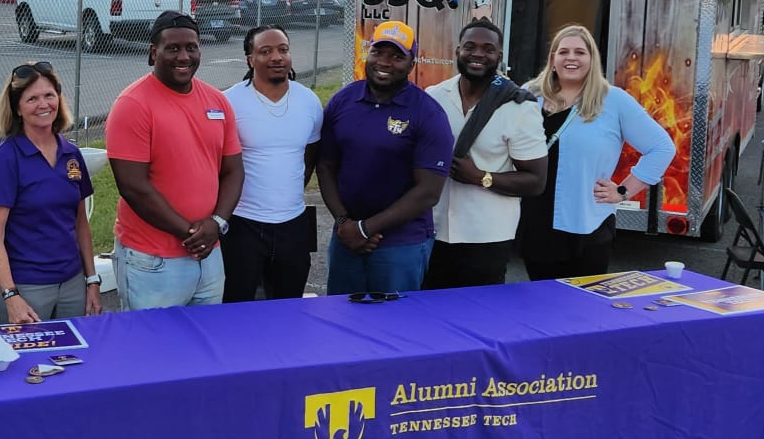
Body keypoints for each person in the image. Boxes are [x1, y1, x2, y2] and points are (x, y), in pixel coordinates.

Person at [107, 10, 244, 310]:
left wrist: (217, 223)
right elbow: (133, 186)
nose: (184, 56)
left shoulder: (217, 101)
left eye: (191, 47)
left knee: (203, 348)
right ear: (153, 53)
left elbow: (233, 170)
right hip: (152, 261)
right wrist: (192, 233)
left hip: (209, 255)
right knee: (153, 351)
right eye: (173, 48)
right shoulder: (132, 105)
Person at [517, 25, 674, 281]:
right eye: (563, 52)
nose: (571, 58)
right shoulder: (529, 95)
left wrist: (623, 191)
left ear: (592, 59)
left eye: (580, 52)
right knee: (542, 310)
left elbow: (662, 147)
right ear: (553, 59)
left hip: (586, 227)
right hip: (535, 225)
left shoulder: (613, 100)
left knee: (583, 313)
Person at [316, 20, 453, 295]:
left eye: (397, 56)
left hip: (402, 245)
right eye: (379, 52)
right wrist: (345, 223)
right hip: (346, 239)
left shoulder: (429, 114)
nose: (385, 62)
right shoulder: (343, 101)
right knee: (343, 324)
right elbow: (326, 165)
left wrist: (365, 229)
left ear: (412, 63)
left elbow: (428, 192)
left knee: (396, 329)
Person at [422, 18, 549, 289]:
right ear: (457, 51)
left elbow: (536, 181)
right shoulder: (434, 97)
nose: (478, 54)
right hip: (431, 231)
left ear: (499, 56)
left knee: (478, 320)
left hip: (486, 238)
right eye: (470, 46)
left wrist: (481, 177)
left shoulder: (518, 107)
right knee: (427, 319)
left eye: (488, 49)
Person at [0, 61, 102, 323]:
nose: (43, 104)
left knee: (71, 360)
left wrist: (91, 280)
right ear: (17, 108)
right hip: (26, 288)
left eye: (49, 95)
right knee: (24, 364)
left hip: (71, 284)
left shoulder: (71, 154)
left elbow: (80, 222)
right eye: (32, 98)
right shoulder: (4, 160)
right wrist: (10, 295)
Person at [219, 25, 325, 301]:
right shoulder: (229, 102)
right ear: (250, 59)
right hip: (243, 224)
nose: (277, 57)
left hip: (293, 224)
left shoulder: (309, 101)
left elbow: (310, 155)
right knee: (237, 306)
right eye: (265, 51)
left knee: (288, 306)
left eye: (283, 50)